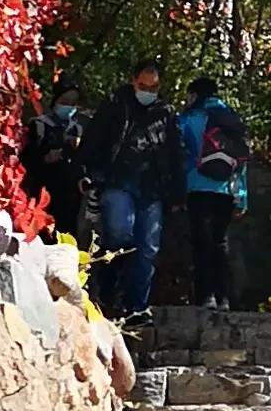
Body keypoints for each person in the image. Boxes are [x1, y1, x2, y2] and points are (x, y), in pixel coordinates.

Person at [78, 57, 186, 325]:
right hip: (117, 181)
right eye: (143, 85)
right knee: (119, 233)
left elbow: (175, 154)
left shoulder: (166, 114)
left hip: (152, 189)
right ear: (133, 81)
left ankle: (137, 305)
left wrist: (176, 193)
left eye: (153, 88)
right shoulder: (115, 106)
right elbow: (94, 142)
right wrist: (88, 174)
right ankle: (107, 289)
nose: (147, 92)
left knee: (148, 247)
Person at [180, 73, 250, 313]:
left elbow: (180, 153)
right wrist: (242, 194)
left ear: (194, 94)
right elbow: (242, 160)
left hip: (197, 186)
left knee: (201, 242)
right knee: (220, 242)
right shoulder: (231, 119)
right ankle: (225, 297)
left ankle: (205, 296)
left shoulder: (190, 119)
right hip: (226, 189)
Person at [20, 79, 89, 245]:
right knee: (43, 235)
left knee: (68, 235)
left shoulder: (79, 127)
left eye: (73, 103)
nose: (69, 106)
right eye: (65, 102)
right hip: (44, 189)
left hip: (70, 192)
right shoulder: (39, 125)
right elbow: (28, 158)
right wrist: (48, 157)